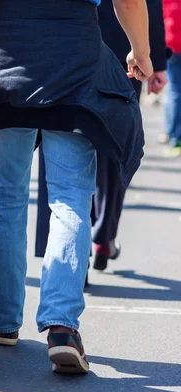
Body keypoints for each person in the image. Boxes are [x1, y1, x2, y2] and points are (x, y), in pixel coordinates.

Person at [0, 0, 153, 374]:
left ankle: (2, 322)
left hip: (5, 63)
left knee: (6, 198)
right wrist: (140, 51)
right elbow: (128, 1)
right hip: (75, 65)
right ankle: (62, 327)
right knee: (71, 198)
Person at [36, 0, 169, 275]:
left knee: (62, 152)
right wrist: (154, 57)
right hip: (124, 44)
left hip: (60, 41)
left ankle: (72, 256)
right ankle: (102, 234)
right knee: (112, 145)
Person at [164, 0, 181, 156]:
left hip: (172, 46)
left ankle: (173, 134)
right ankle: (173, 133)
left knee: (174, 93)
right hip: (174, 47)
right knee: (175, 93)